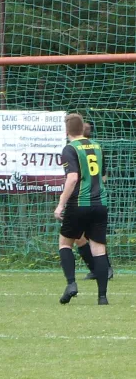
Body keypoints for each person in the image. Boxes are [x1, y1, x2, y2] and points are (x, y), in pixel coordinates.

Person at [54, 114, 109, 305]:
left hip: (79, 203)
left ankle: (71, 284)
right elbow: (103, 177)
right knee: (99, 249)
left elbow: (72, 178)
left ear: (67, 130)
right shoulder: (97, 146)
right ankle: (102, 297)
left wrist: (61, 203)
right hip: (100, 203)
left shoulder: (70, 149)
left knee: (65, 243)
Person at [75, 122, 113, 280]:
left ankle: (104, 269)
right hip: (87, 198)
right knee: (82, 236)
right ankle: (99, 269)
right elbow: (103, 176)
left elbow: (103, 175)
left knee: (87, 235)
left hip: (88, 199)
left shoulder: (80, 149)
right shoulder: (90, 148)